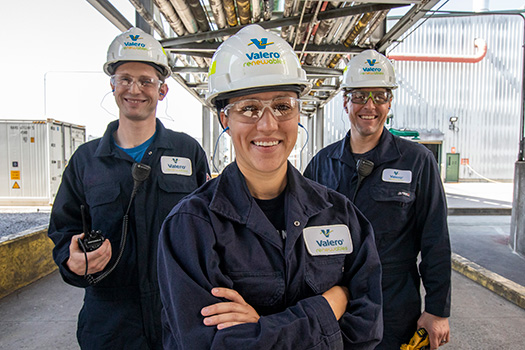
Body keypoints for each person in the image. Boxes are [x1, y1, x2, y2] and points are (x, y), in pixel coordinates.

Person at [157, 24, 383, 349]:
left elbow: (367, 330)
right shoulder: (191, 226)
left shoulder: (340, 215)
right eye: (249, 108)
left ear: (298, 111)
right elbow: (211, 344)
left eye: (282, 106)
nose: (268, 124)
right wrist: (329, 305)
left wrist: (262, 329)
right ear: (225, 118)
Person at [48, 27, 210, 350]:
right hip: (110, 327)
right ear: (112, 86)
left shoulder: (188, 152)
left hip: (177, 320)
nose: (135, 89)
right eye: (125, 79)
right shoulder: (86, 161)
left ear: (162, 91)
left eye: (146, 81)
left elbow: (208, 228)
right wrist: (72, 259)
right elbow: (63, 232)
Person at [304, 50, 451, 350]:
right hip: (333, 302)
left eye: (380, 96)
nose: (369, 106)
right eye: (359, 96)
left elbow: (435, 240)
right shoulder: (321, 163)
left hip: (393, 305)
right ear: (345, 101)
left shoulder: (417, 162)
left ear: (390, 102)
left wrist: (437, 310)